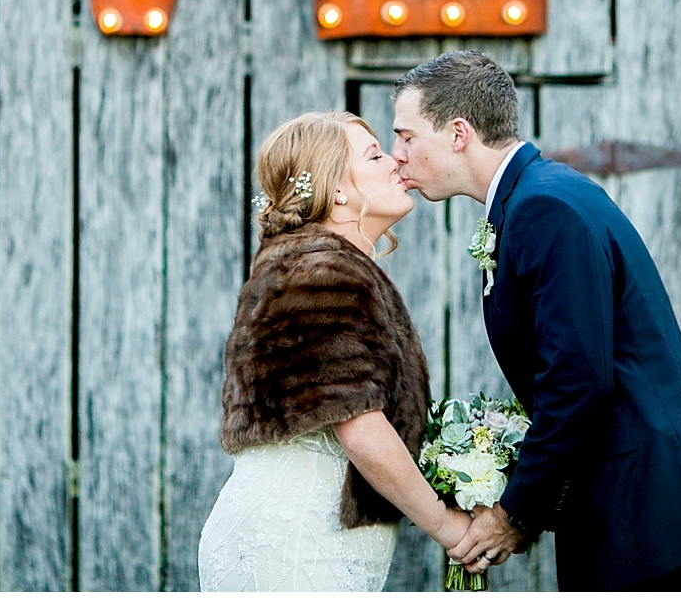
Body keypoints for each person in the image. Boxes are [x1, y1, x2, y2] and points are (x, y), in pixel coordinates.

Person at [391, 51, 681, 591]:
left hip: (641, 503)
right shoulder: (535, 195)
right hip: (631, 498)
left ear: (458, 133)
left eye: (406, 136)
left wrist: (513, 513)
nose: (397, 156)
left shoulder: (544, 208)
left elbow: (577, 379)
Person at [197, 111, 479, 590]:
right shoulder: (323, 271)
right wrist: (447, 526)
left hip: (307, 535)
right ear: (336, 191)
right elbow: (362, 428)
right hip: (298, 540)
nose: (394, 162)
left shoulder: (312, 264)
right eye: (373, 155)